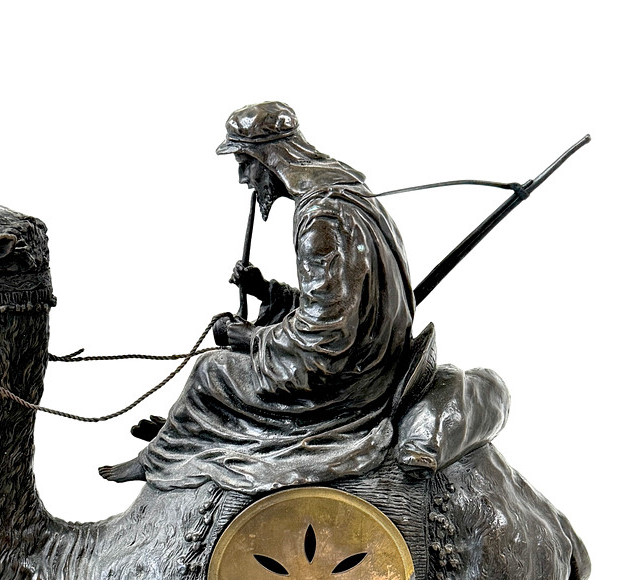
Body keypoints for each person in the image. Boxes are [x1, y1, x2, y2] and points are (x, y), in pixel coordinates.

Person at [100, 101, 415, 491]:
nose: (242, 178)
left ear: (269, 158)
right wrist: (267, 292)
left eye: (244, 163)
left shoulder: (321, 219)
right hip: (372, 358)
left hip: (355, 384)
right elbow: (343, 307)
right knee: (228, 367)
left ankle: (163, 457)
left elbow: (325, 344)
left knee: (212, 372)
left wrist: (247, 337)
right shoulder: (345, 193)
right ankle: (201, 430)